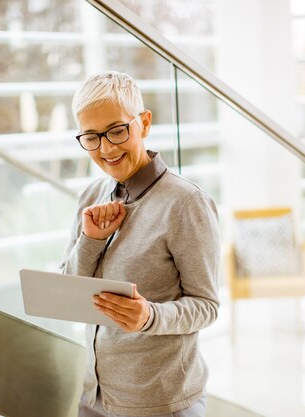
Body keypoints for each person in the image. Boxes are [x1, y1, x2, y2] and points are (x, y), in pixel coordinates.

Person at [59, 71, 220, 417]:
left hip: (162, 404)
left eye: (117, 130)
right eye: (91, 137)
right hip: (95, 398)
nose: (106, 148)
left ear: (144, 123)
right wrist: (91, 239)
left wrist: (150, 316)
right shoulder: (89, 196)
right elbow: (67, 287)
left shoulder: (186, 202)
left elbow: (207, 305)